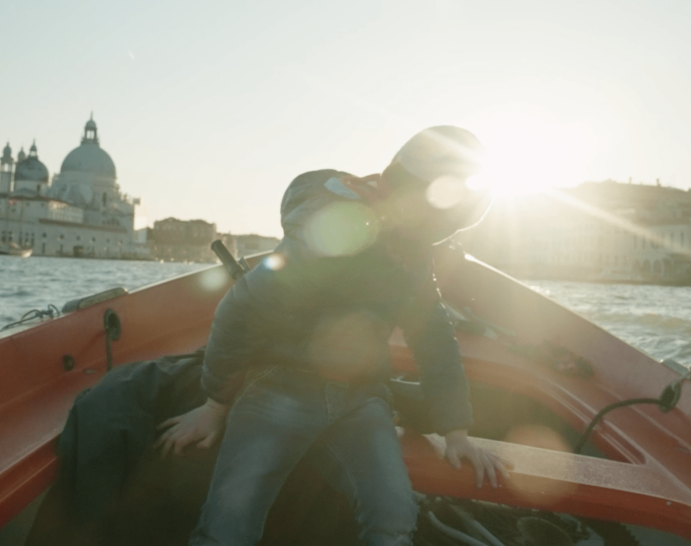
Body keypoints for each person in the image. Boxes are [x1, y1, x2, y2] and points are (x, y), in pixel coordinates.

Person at [155, 125, 509, 546]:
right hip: (280, 386)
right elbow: (242, 308)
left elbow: (434, 339)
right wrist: (215, 405)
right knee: (229, 524)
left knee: (394, 515)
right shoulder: (329, 233)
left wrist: (456, 432)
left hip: (361, 398)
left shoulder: (413, 254)